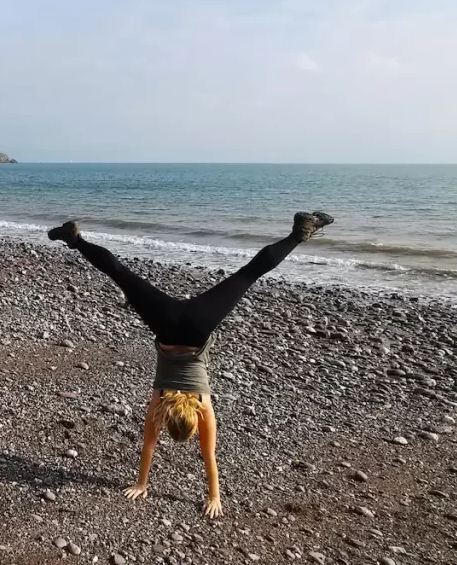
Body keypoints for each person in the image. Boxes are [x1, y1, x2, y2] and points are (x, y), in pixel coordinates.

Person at [47, 211, 334, 517]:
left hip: (199, 325)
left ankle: (298, 235)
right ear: (168, 417)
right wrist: (142, 483)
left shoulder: (202, 406)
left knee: (248, 274)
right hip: (165, 322)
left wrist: (213, 496)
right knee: (120, 274)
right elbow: (149, 447)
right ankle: (75, 239)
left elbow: (209, 455)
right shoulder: (160, 402)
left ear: (193, 420)